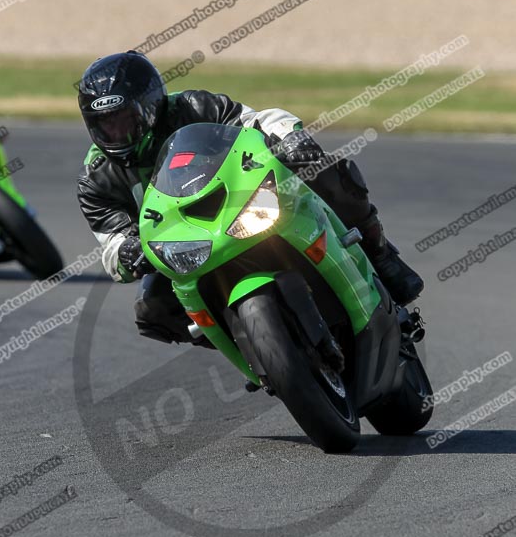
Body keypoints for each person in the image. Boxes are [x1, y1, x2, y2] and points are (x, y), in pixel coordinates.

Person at [77, 51, 423, 345]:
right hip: (187, 246)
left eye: (125, 120)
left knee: (327, 170)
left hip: (237, 202)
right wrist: (125, 252)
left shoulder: (193, 106)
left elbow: (256, 120)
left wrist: (291, 138)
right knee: (151, 309)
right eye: (106, 124)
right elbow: (110, 242)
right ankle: (248, 341)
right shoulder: (96, 179)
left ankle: (381, 255)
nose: (117, 133)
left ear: (151, 107)